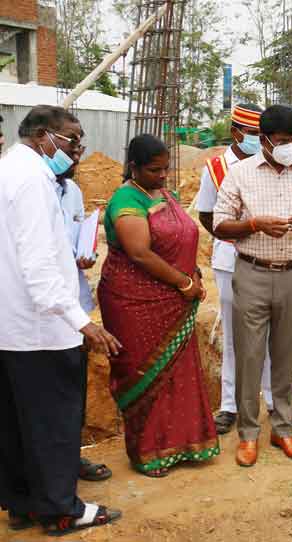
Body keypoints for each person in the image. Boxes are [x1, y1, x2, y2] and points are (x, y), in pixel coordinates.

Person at [0, 105, 121, 536]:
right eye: (72, 138)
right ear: (42, 136)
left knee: (17, 424)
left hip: (11, 326)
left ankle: (22, 504)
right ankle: (59, 509)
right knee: (53, 423)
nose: (78, 148)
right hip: (42, 329)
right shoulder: (32, 180)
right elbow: (39, 265)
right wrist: (81, 321)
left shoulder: (10, 170)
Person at [214, 105, 292, 466]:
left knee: (285, 355)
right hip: (252, 272)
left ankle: (283, 428)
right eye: (282, 141)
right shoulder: (240, 174)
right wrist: (254, 225)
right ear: (263, 140)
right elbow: (219, 225)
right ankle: (248, 434)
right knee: (249, 355)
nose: (289, 147)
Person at [98, 134, 219, 478]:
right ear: (133, 167)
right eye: (155, 170)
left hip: (174, 299)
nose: (163, 175)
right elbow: (139, 252)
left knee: (177, 373)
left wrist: (191, 276)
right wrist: (184, 283)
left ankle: (184, 444)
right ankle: (148, 452)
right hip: (135, 303)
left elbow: (182, 236)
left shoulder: (164, 194)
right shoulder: (126, 201)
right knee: (145, 374)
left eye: (166, 169)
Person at [196, 103, 275, 435]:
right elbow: (205, 214)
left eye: (263, 135)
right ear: (237, 133)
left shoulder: (268, 163)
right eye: (256, 135)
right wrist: (232, 234)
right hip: (230, 260)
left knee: (271, 332)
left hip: (268, 258)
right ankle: (229, 405)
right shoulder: (215, 168)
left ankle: (272, 400)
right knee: (232, 333)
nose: (261, 141)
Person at [55, 140, 113, 483]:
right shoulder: (23, 187)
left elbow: (77, 238)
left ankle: (70, 458)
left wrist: (85, 254)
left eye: (80, 151)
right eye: (72, 150)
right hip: (33, 310)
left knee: (73, 385)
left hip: (71, 304)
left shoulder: (73, 190)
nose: (77, 158)